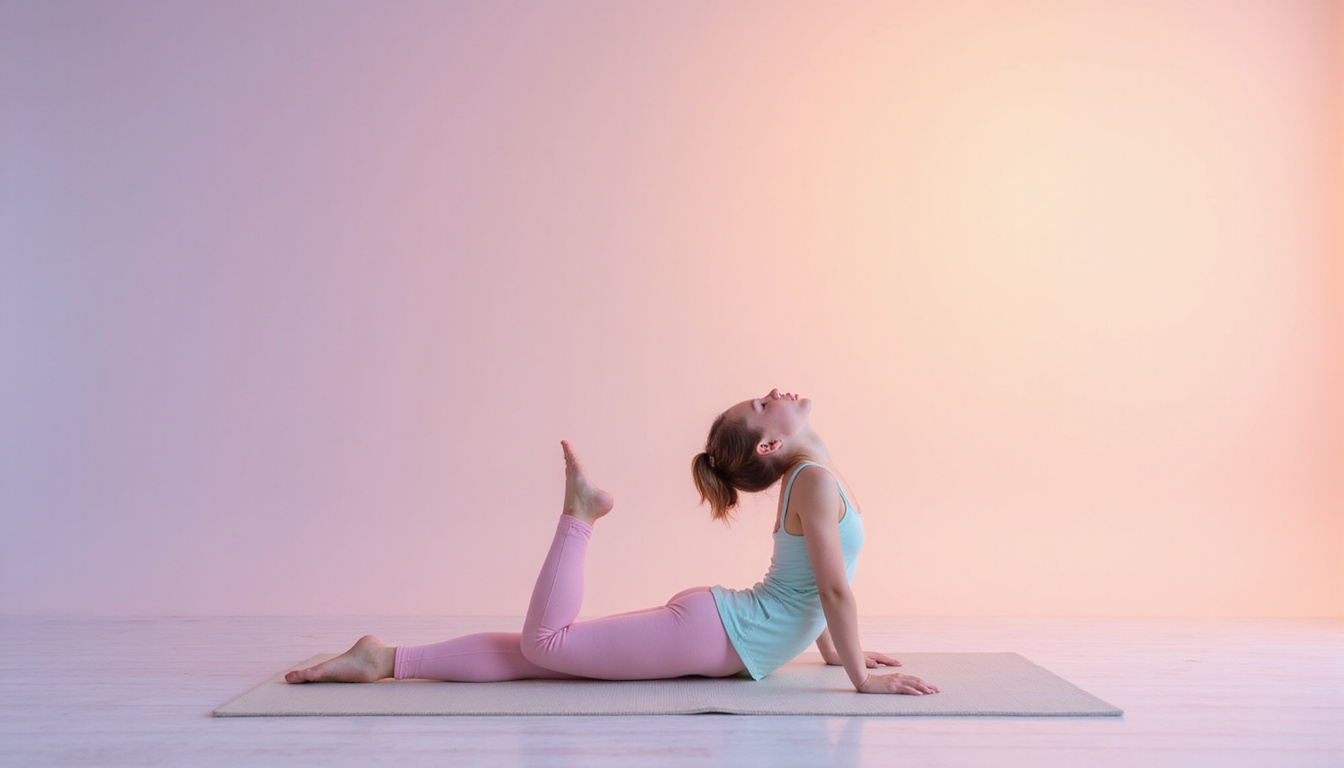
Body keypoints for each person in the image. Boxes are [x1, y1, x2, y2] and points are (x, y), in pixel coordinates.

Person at [285, 388, 940, 695]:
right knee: (549, 645)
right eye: (761, 402)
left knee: (540, 657)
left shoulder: (812, 481)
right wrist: (859, 679)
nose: (772, 393)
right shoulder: (813, 483)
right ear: (772, 444)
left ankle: (385, 659)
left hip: (719, 630)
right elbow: (826, 587)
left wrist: (835, 657)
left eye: (760, 400)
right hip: (714, 634)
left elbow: (811, 585)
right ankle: (580, 516)